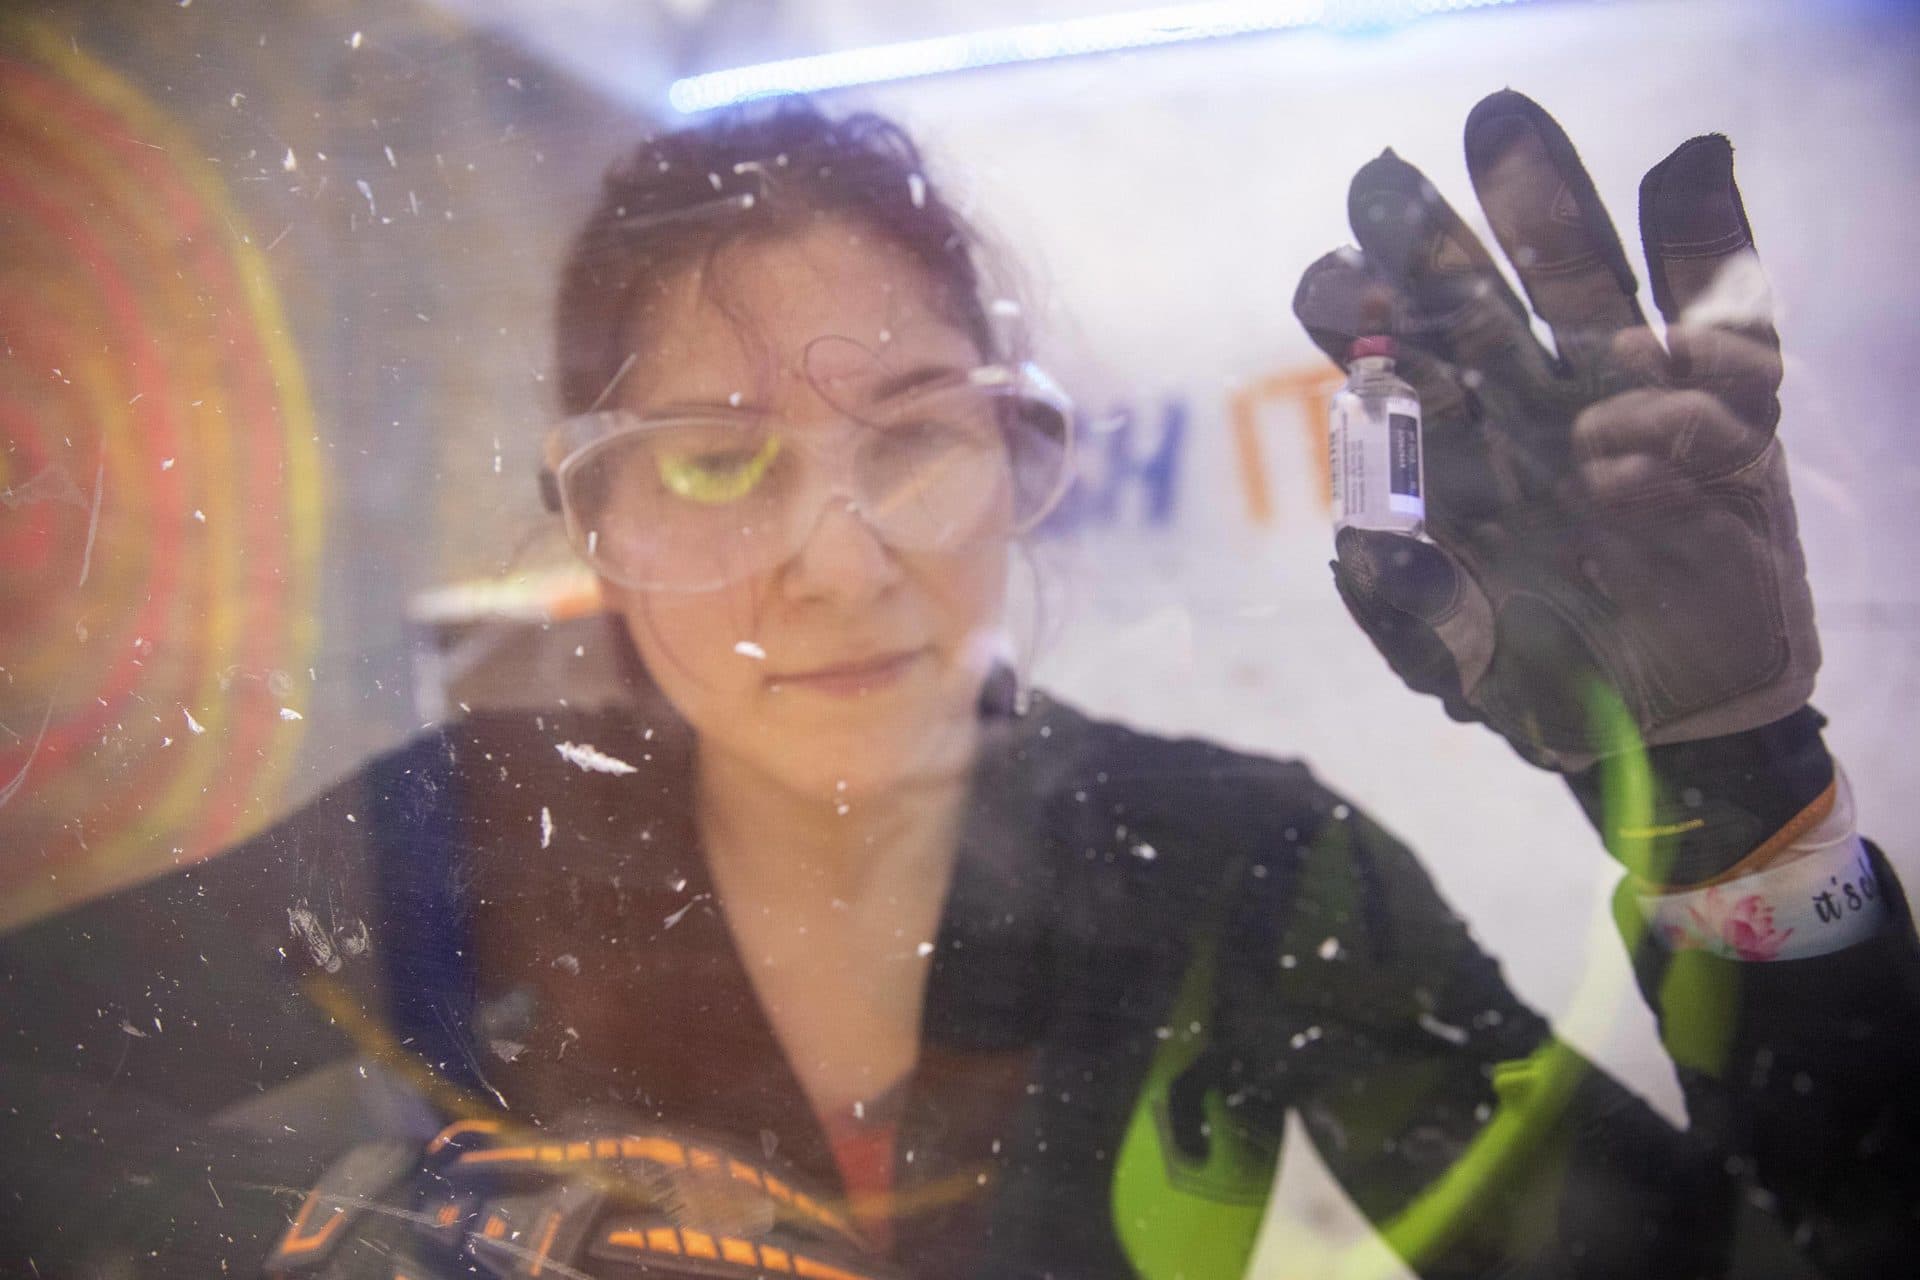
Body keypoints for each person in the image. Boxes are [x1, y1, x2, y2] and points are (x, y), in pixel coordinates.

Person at [2, 91, 1916, 1280]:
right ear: (595, 521)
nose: (837, 559)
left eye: (916, 433)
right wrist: (369, 1249)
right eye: (712, 454)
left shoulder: (1232, 869)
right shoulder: (468, 825)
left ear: (1024, 461)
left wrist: (1748, 811)